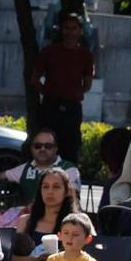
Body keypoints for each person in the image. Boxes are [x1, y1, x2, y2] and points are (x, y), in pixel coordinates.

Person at [34, 12, 95, 162]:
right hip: (50, 106)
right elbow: (34, 78)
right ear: (61, 30)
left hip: (72, 107)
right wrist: (48, 92)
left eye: (74, 28)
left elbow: (87, 83)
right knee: (46, 145)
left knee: (71, 146)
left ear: (80, 31)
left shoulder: (86, 55)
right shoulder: (49, 51)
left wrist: (74, 93)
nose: (70, 32)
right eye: (66, 28)